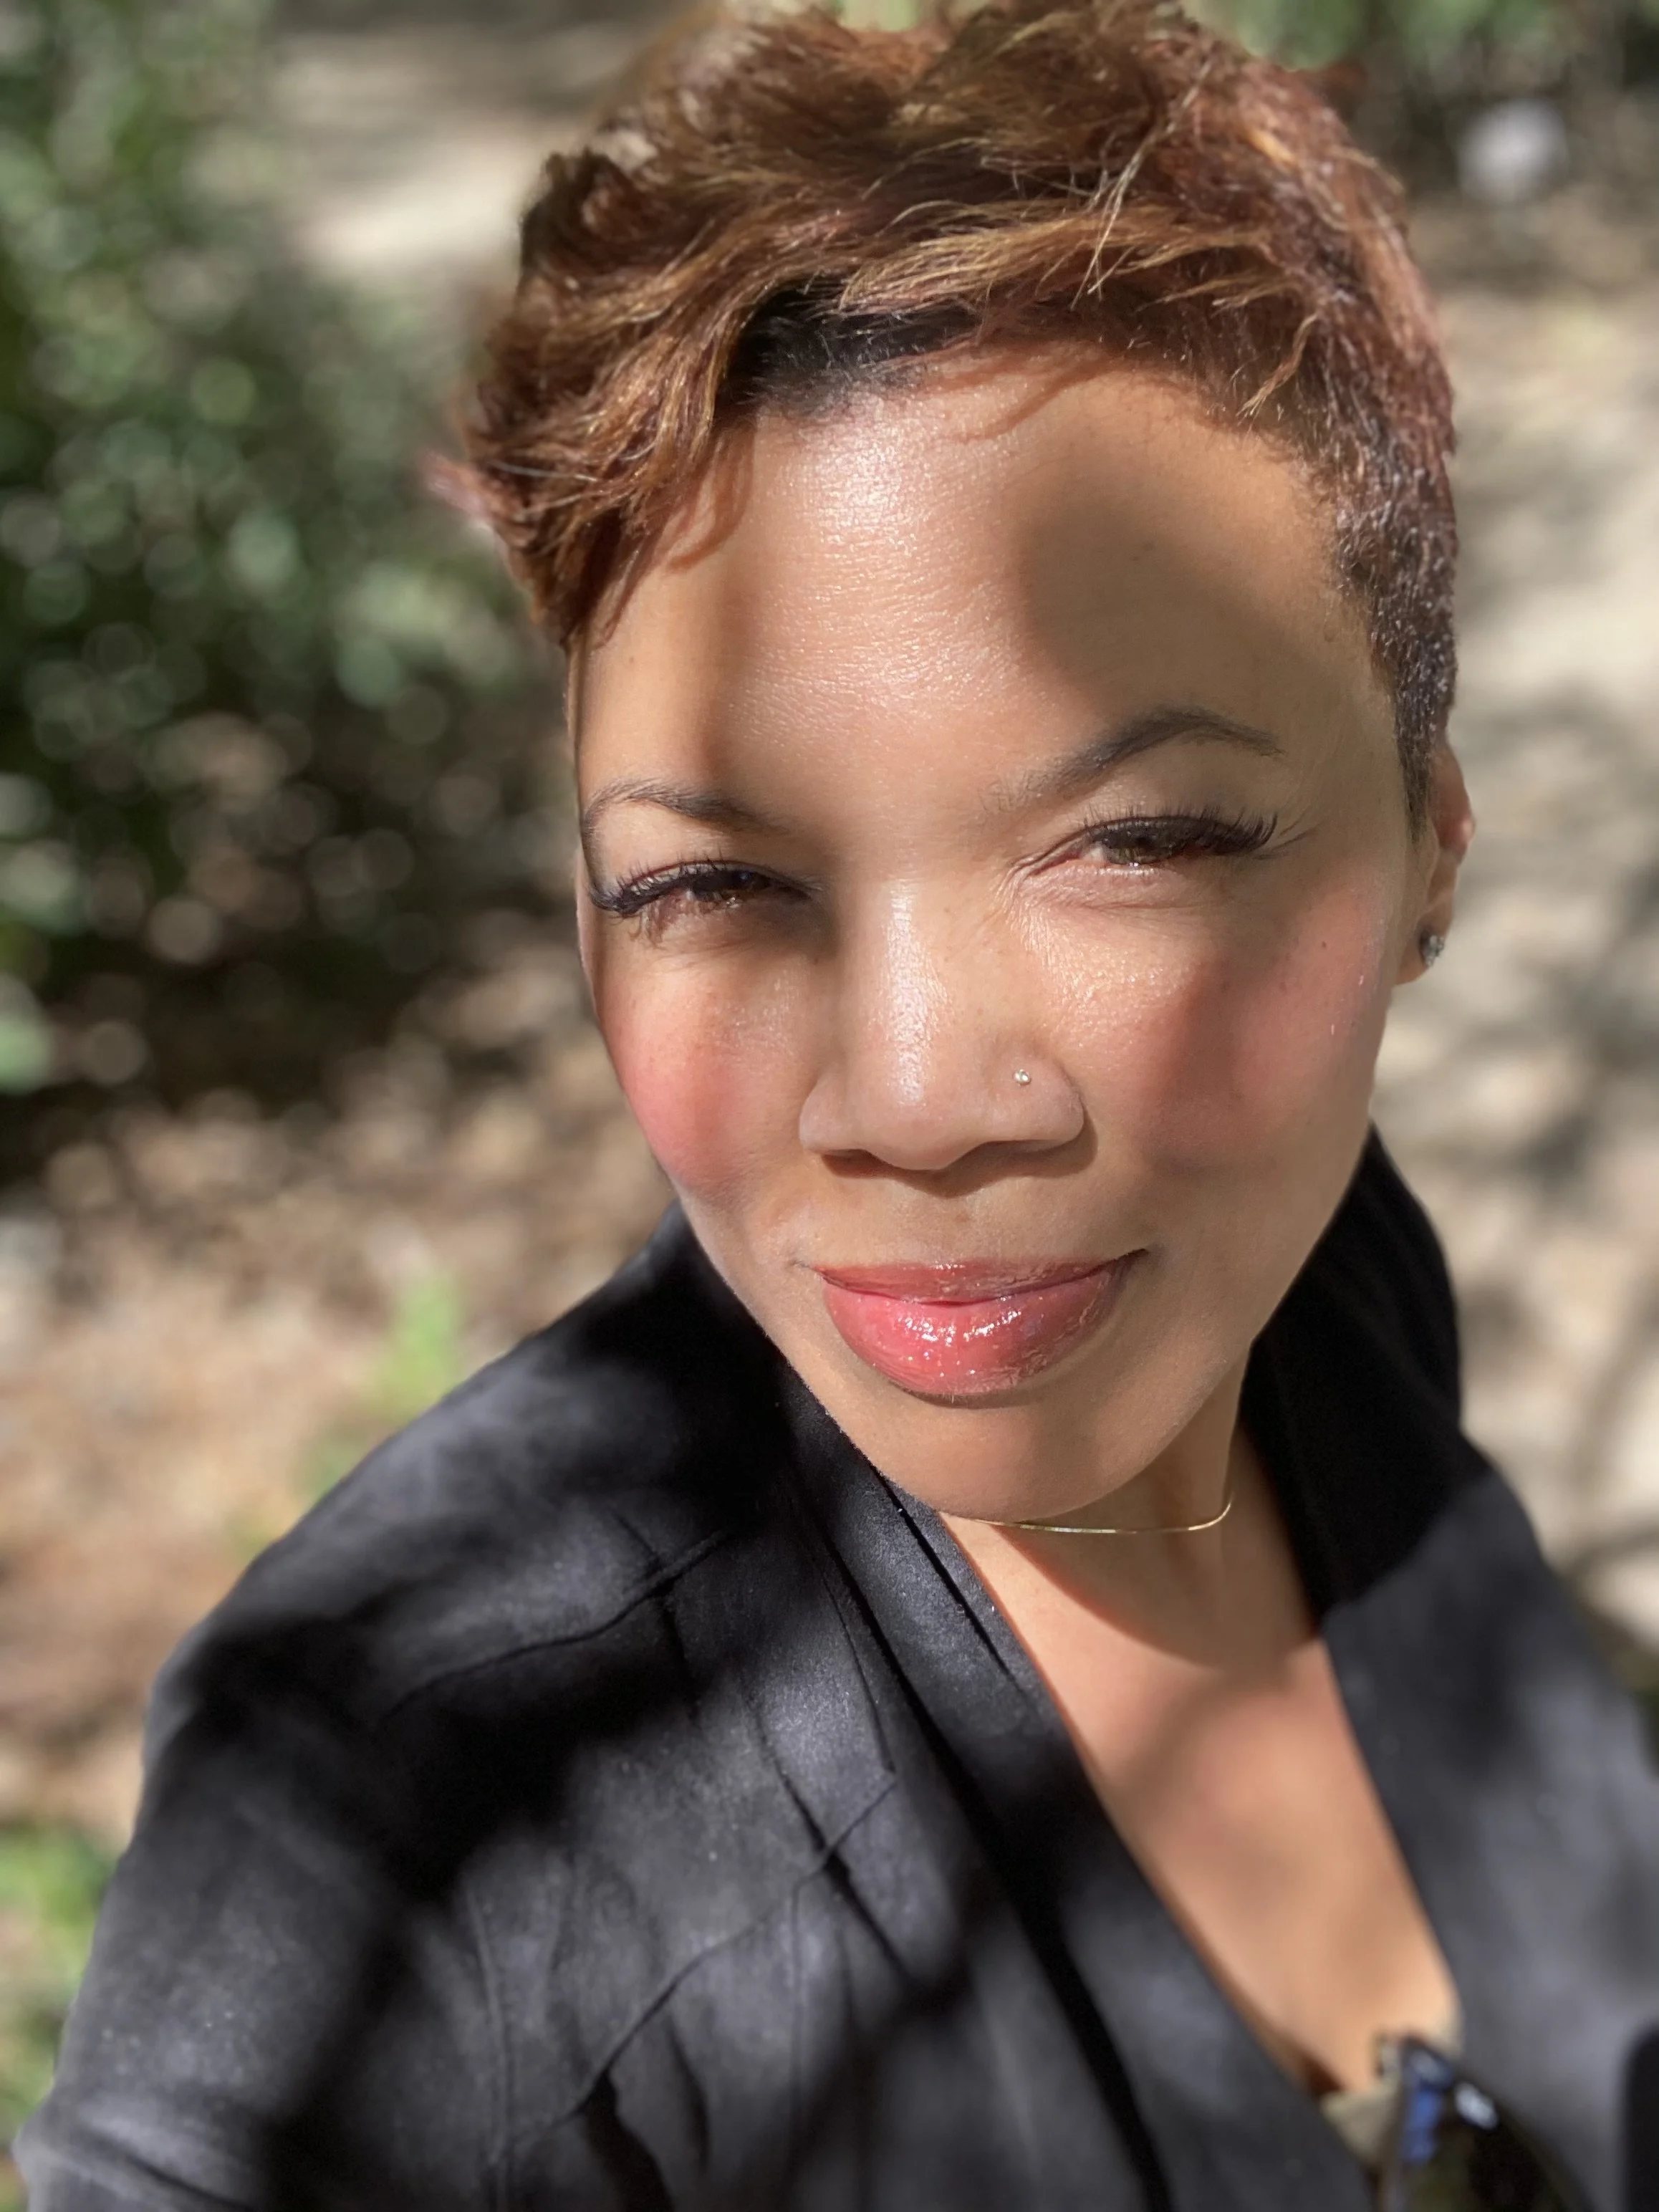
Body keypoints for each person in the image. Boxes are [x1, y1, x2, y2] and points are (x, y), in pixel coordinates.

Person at [19, 2, 1659, 2207]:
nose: (912, 1103)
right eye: (709, 880)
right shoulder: (408, 1817)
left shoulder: (1318, 1279)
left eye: (1139, 843)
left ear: (1427, 847)